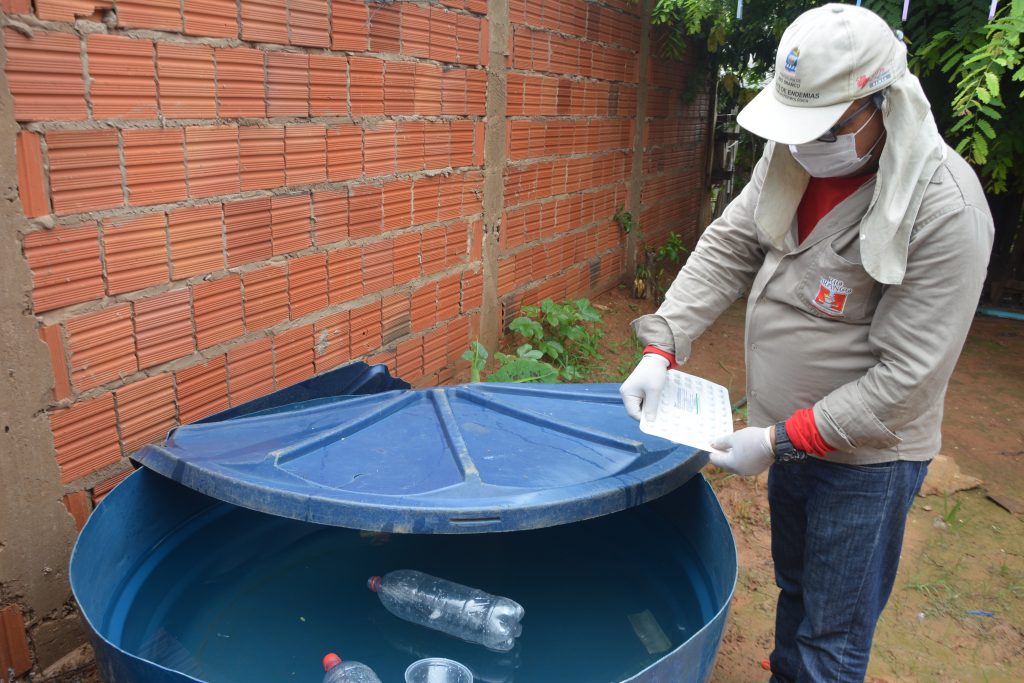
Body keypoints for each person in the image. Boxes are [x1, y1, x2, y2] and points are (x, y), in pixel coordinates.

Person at [619, 4, 994, 682]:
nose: (804, 144)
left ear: (879, 105)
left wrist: (779, 440)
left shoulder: (944, 208)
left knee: (833, 636)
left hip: (864, 466)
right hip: (787, 442)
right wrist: (662, 344)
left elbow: (906, 378)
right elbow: (729, 243)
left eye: (823, 127)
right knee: (796, 589)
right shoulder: (793, 156)